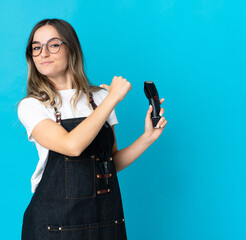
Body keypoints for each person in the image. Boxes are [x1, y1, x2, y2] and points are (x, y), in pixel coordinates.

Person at [17, 18, 167, 240]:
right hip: (53, 226)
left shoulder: (100, 98)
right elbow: (72, 146)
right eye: (36, 47)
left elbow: (108, 163)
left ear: (72, 48)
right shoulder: (32, 106)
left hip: (105, 220)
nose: (43, 53)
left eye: (53, 44)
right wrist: (113, 98)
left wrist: (147, 138)